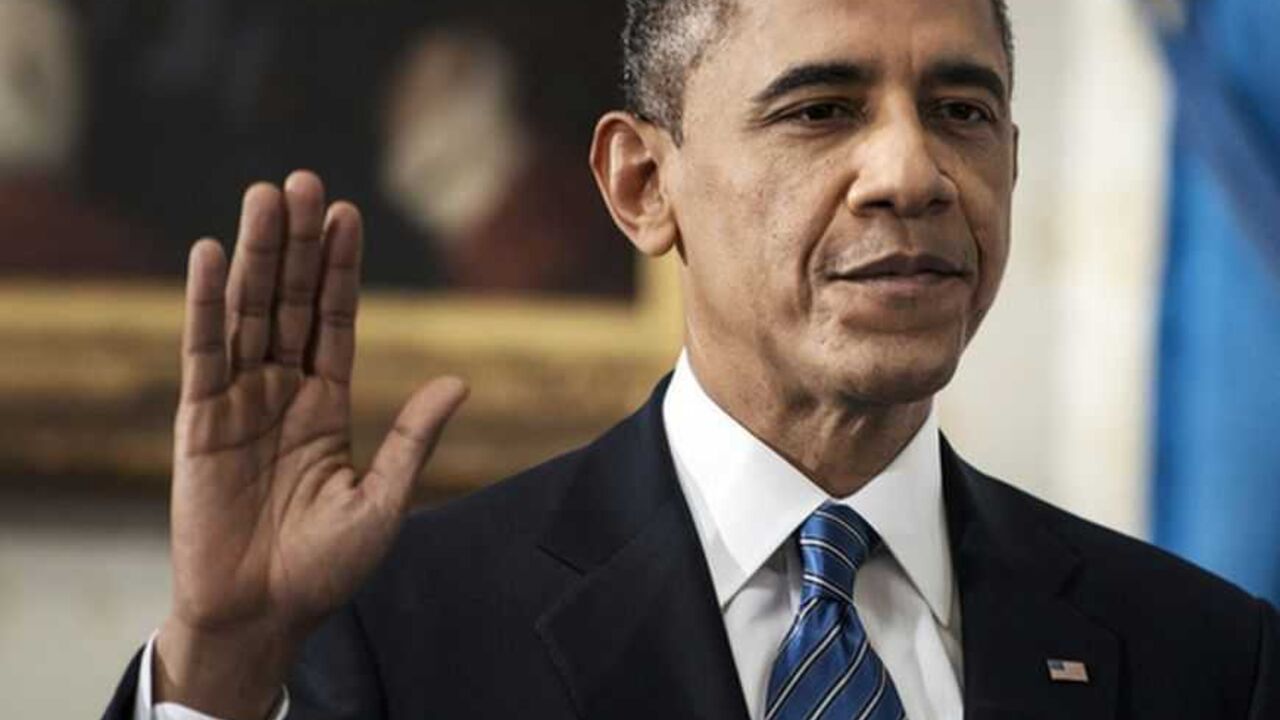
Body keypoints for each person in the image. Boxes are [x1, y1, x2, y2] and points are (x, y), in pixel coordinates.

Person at [103, 0, 1279, 718]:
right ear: (641, 185)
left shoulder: (1202, 657)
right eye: (820, 110)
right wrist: (219, 667)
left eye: (961, 111)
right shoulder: (395, 627)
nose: (911, 174)